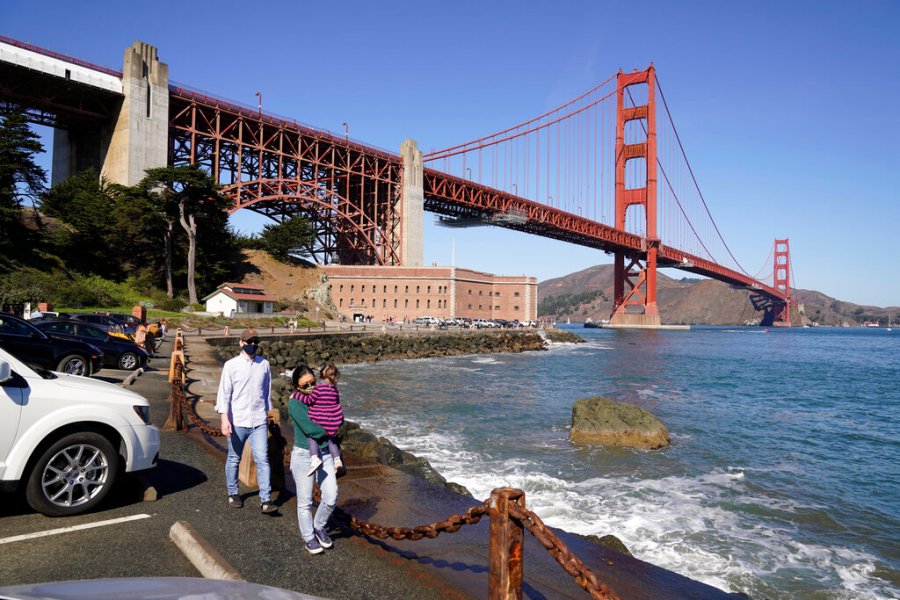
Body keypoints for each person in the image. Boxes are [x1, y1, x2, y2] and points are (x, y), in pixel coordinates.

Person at [215, 328, 277, 513]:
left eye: (255, 342)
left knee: (263, 459)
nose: (252, 345)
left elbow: (266, 391)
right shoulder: (231, 365)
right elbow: (224, 394)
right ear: (241, 343)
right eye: (249, 342)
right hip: (238, 420)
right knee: (234, 458)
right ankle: (233, 493)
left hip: (258, 420)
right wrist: (224, 419)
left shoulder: (264, 364)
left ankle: (265, 500)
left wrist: (267, 413)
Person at [288, 366, 338, 554]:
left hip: (324, 452)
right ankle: (308, 537)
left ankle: (319, 526)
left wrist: (333, 419)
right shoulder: (294, 404)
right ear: (296, 387)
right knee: (305, 501)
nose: (310, 386)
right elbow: (311, 429)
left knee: (331, 496)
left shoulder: (321, 395)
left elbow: (336, 409)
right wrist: (330, 425)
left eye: (312, 382)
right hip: (303, 455)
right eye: (305, 385)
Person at [294, 363, 344, 477]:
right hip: (332, 419)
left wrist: (296, 396)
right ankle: (337, 460)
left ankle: (314, 458)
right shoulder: (335, 390)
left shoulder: (318, 389)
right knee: (331, 440)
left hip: (320, 418)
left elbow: (309, 400)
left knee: (312, 438)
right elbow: (336, 403)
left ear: (321, 376)